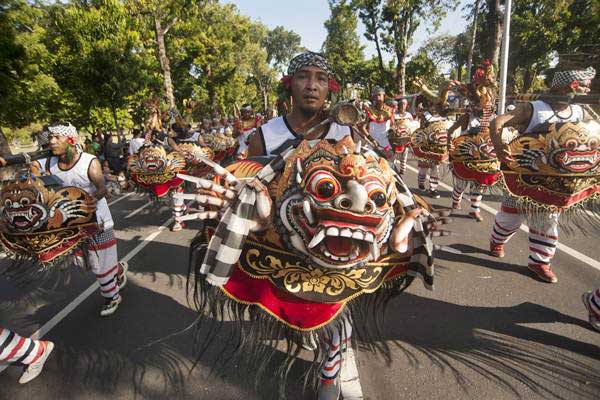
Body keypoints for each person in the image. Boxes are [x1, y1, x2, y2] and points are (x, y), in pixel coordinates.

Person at [488, 66, 596, 283]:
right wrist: (500, 150)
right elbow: (497, 122)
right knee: (510, 219)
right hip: (525, 176)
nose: (587, 91)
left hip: (555, 181)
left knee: (548, 220)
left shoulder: (581, 112)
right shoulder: (533, 108)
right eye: (584, 86)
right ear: (571, 87)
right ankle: (496, 241)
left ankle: (539, 262)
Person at [36, 123, 127, 315]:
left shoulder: (89, 162)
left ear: (71, 140)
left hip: (97, 222)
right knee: (81, 262)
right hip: (69, 224)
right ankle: (116, 269)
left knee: (99, 266)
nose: (52, 141)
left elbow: (102, 187)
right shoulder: (48, 164)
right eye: (50, 138)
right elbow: (34, 176)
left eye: (56, 138)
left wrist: (91, 200)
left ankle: (112, 297)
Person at [247, 51, 352, 157]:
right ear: (289, 84)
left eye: (321, 79)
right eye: (302, 77)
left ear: (329, 88)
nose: (312, 86)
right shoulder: (264, 137)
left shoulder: (345, 132)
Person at [360, 86, 395, 155]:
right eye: (375, 95)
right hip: (372, 145)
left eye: (379, 95)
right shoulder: (369, 111)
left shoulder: (390, 110)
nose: (377, 97)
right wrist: (371, 139)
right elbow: (363, 128)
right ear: (373, 98)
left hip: (386, 146)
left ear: (384, 96)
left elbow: (393, 126)